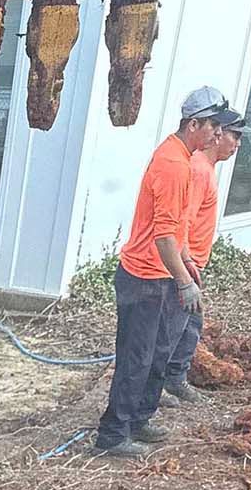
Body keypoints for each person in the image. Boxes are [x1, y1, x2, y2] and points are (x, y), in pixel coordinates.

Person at [94, 85, 227, 459]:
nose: (218, 135)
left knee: (157, 353)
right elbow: (163, 235)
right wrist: (184, 281)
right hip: (144, 279)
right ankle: (112, 435)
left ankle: (138, 419)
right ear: (193, 123)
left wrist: (186, 264)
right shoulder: (172, 165)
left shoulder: (184, 160)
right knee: (137, 358)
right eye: (213, 126)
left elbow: (179, 229)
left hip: (162, 275)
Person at [163, 110, 246, 402]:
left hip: (193, 262)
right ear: (219, 134)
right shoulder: (198, 169)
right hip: (186, 264)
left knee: (188, 324)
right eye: (235, 136)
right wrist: (186, 265)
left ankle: (173, 378)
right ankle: (159, 383)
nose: (237, 145)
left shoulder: (205, 169)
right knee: (173, 327)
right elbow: (180, 221)